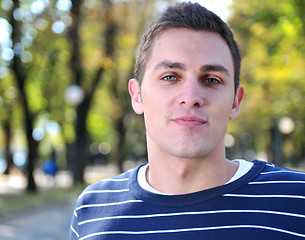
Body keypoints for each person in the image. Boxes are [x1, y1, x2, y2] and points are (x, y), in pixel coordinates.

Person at [70, 2, 305, 239]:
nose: (191, 98)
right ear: (137, 95)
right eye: (170, 77)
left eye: (212, 79)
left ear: (235, 101)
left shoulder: (297, 202)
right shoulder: (93, 211)